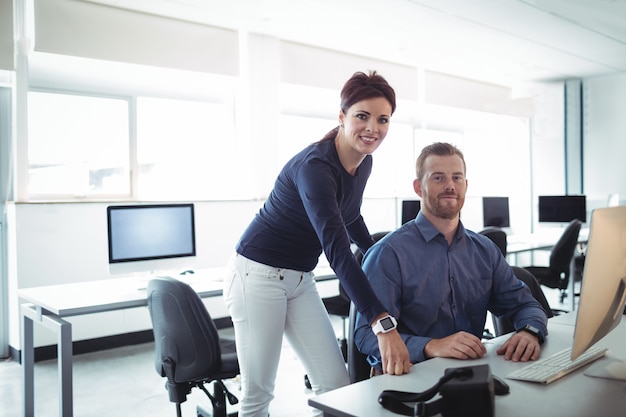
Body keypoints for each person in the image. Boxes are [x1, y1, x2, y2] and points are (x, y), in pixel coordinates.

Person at [224, 71, 411, 417]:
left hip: (298, 279)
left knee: (336, 388)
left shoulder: (363, 162)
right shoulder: (316, 167)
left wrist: (376, 255)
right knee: (258, 394)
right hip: (257, 276)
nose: (373, 128)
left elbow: (351, 216)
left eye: (382, 119)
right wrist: (381, 321)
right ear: (341, 117)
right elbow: (337, 249)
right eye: (362, 116)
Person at [355, 142, 548, 371]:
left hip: (470, 373)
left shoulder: (484, 250)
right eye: (438, 178)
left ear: (465, 185)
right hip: (407, 376)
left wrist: (530, 331)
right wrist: (431, 346)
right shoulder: (388, 254)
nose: (450, 186)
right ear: (418, 188)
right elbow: (367, 335)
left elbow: (525, 304)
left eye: (457, 178)